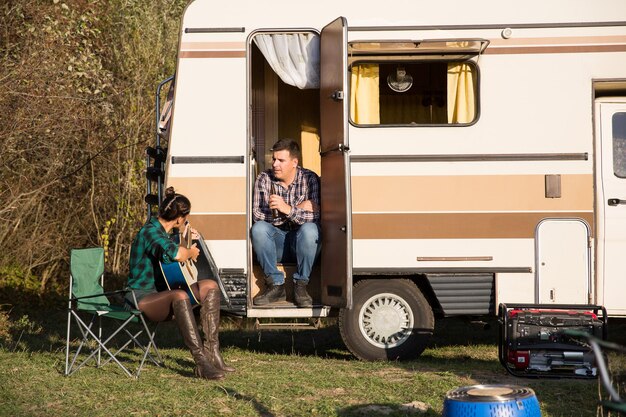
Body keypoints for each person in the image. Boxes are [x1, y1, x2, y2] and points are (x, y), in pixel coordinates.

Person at [125, 187, 235, 380]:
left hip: (160, 294)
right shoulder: (150, 232)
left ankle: (212, 352)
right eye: (185, 218)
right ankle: (201, 363)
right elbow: (175, 254)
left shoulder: (164, 233)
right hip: (141, 297)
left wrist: (186, 236)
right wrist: (190, 252)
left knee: (210, 286)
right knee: (180, 294)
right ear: (178, 218)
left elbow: (170, 247)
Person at [251, 139, 321, 307]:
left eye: (281, 160)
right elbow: (258, 215)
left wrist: (287, 208)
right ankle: (276, 285)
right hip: (276, 245)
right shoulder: (264, 179)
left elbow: (315, 217)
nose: (275, 164)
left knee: (310, 230)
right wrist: (295, 209)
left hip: (303, 244)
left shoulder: (310, 178)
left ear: (294, 162)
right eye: (274, 159)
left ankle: (301, 286)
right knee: (259, 229)